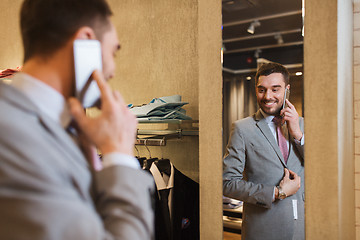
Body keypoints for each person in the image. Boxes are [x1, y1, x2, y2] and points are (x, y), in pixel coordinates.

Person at [0, 0, 154, 239]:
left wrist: (93, 168)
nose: (112, 70)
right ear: (85, 41)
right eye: (114, 52)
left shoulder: (52, 127)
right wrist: (119, 154)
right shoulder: (12, 136)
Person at [223, 62, 305, 240]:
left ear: (287, 89)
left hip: (302, 228)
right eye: (262, 90)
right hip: (262, 230)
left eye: (275, 89)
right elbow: (227, 183)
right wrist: (277, 192)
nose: (268, 96)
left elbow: (322, 170)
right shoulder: (242, 128)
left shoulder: (303, 125)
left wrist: (297, 133)